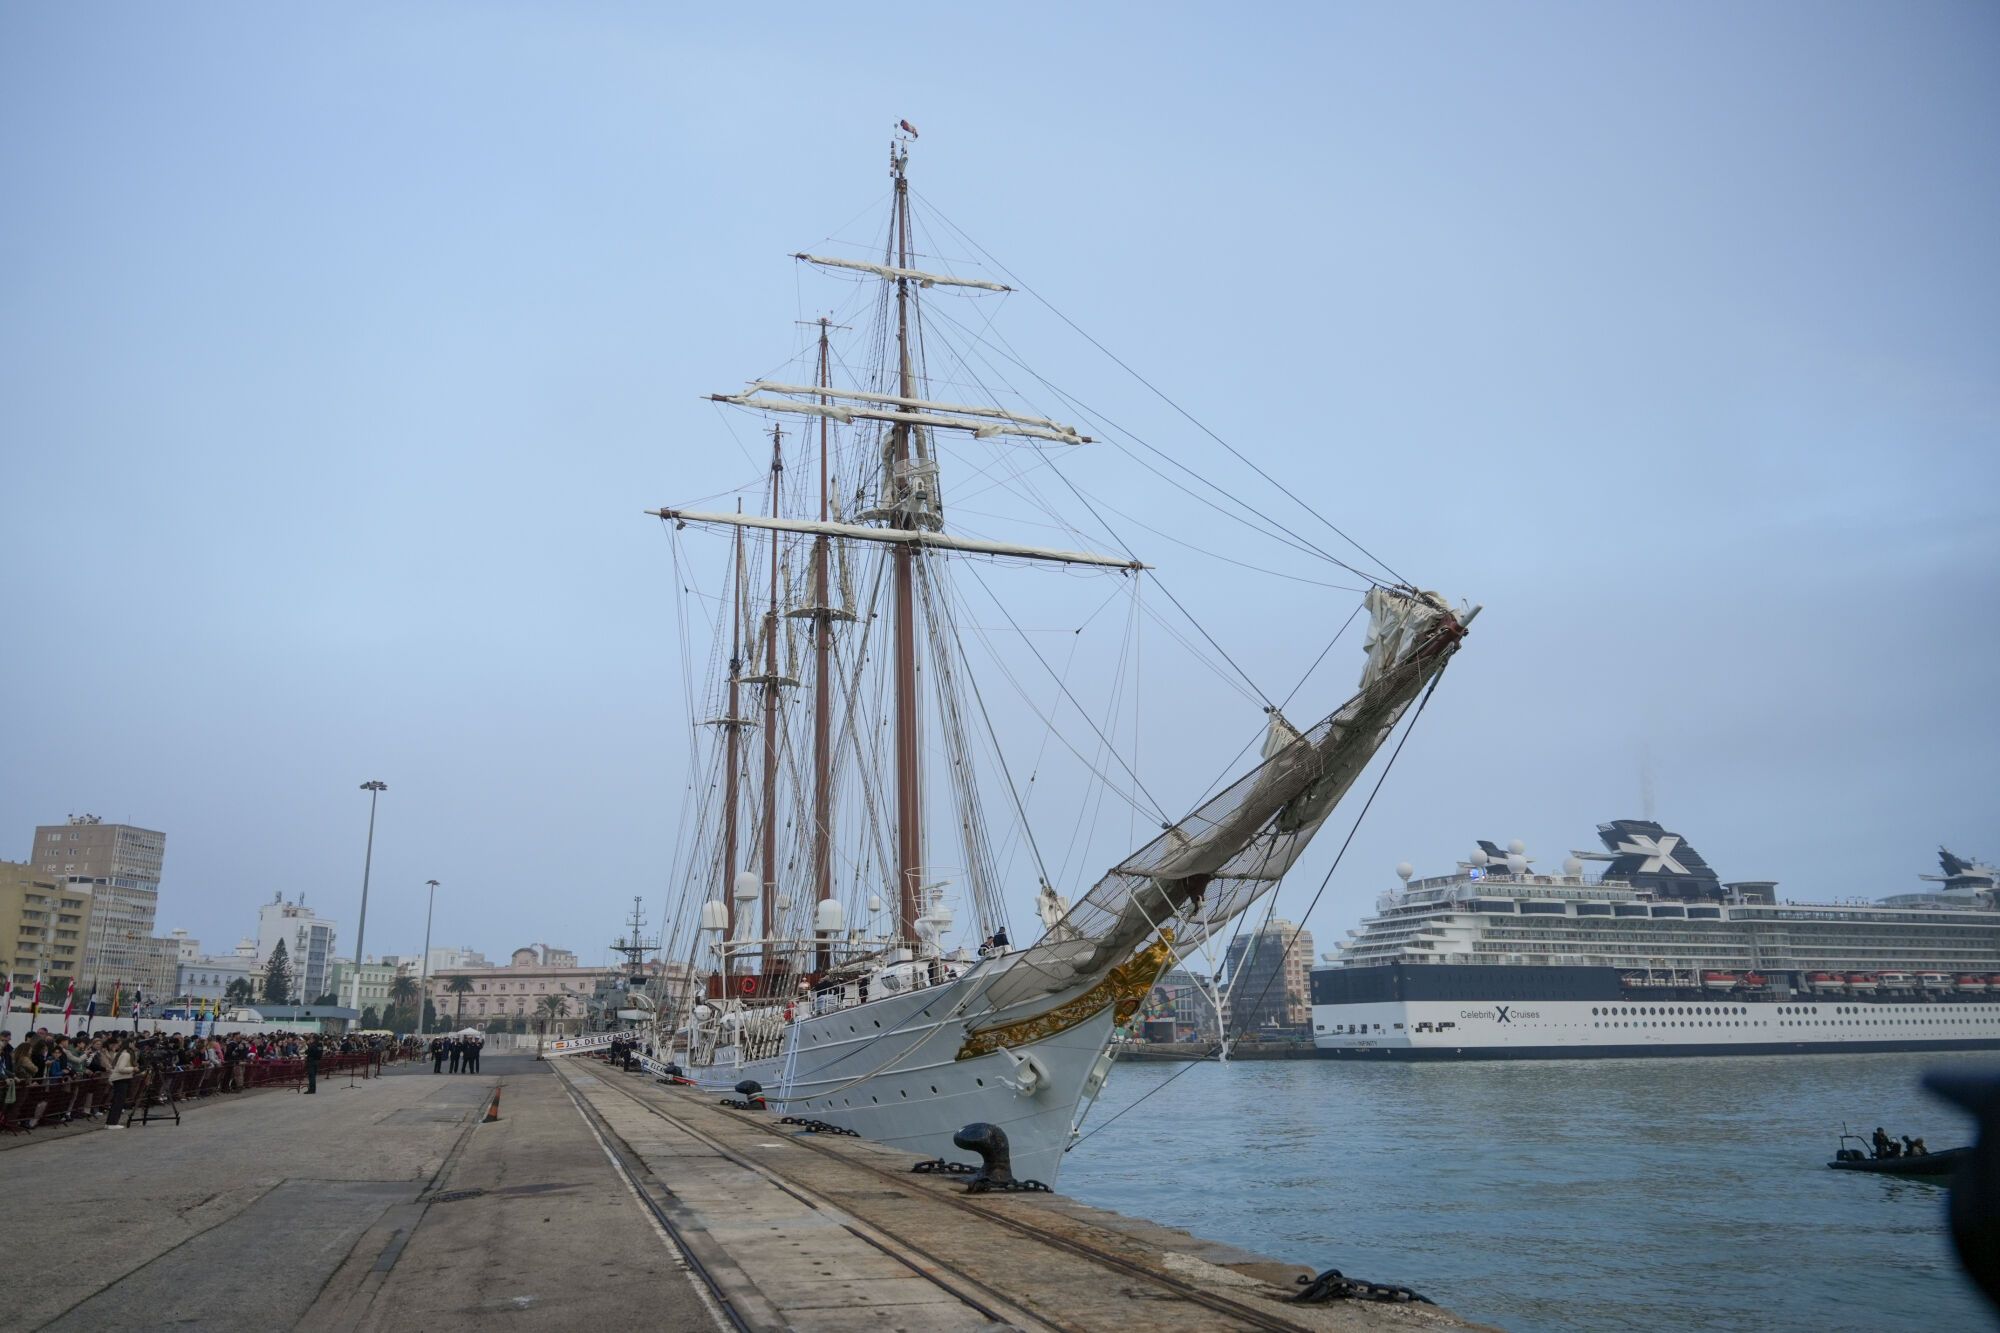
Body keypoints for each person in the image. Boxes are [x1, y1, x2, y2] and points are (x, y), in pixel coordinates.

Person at [104, 1036, 135, 1128]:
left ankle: (110, 1122)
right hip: (121, 1079)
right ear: (130, 1044)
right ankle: (112, 1123)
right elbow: (121, 1068)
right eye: (133, 1043)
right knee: (118, 1102)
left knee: (117, 1101)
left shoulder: (122, 1053)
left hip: (119, 1079)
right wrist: (133, 1068)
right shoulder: (126, 1054)